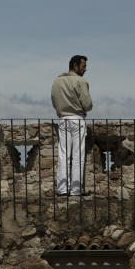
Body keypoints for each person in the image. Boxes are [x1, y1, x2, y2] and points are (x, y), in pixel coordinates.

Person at [50, 55, 93, 196]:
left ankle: (62, 188)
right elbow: (87, 105)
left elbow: (54, 101)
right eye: (83, 66)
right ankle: (76, 189)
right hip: (77, 118)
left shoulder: (57, 82)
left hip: (62, 119)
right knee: (78, 154)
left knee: (63, 154)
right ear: (75, 66)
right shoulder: (80, 81)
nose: (85, 69)